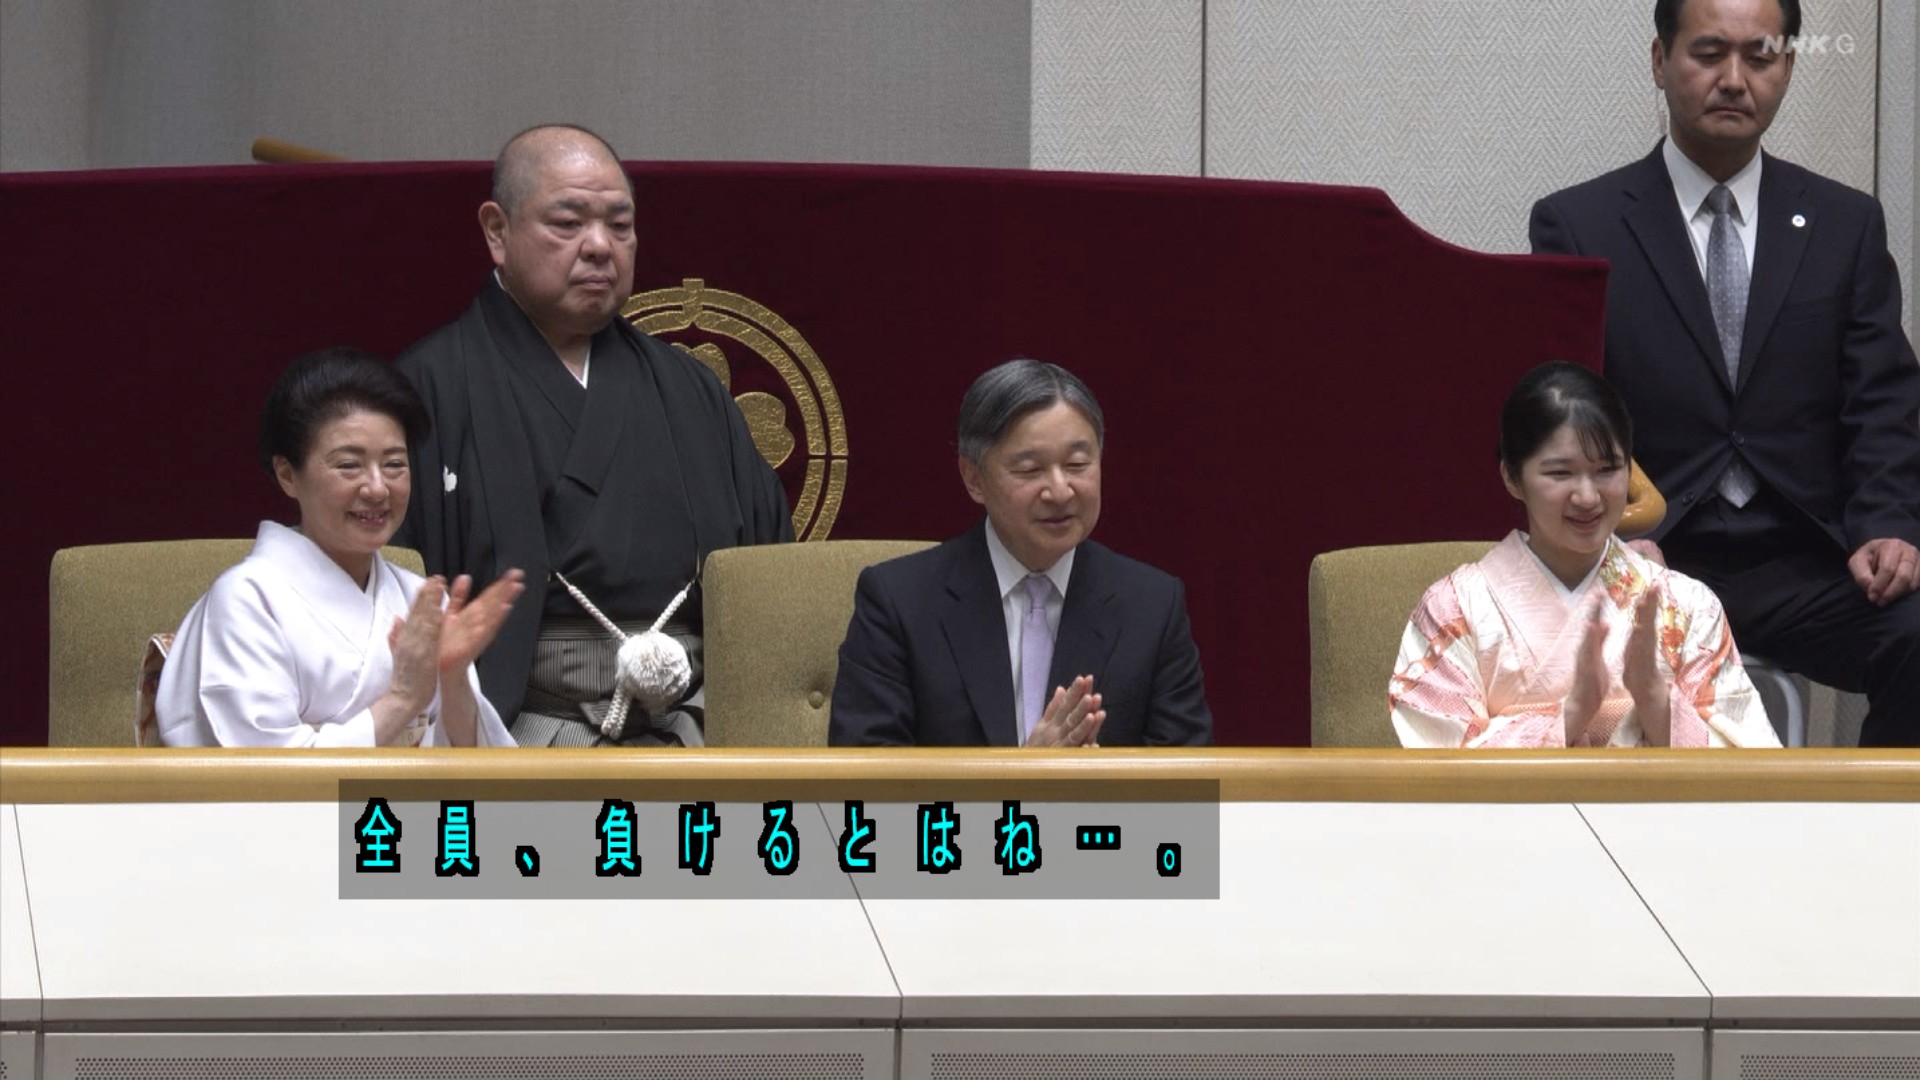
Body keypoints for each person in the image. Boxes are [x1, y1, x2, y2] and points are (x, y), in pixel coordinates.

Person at [1529, 0, 1920, 745]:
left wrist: (1889, 526)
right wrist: (1603, 533)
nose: (1735, 79)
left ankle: (1876, 816)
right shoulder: (1579, 225)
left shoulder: (1845, 225)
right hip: (1652, 555)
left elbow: (1882, 401)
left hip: (1809, 562)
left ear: (1788, 67)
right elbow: (1562, 412)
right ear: (1660, 61)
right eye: (1709, 53)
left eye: (1760, 57)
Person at [395, 124, 791, 747]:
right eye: (568, 222)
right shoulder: (429, 387)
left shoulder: (688, 387)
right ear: (497, 232)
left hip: (696, 727)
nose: (601, 246)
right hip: (517, 731)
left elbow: (767, 569)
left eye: (620, 225)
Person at [1391, 363, 1779, 748]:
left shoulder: (1688, 606)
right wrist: (1574, 712)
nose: (1588, 497)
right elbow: (1439, 768)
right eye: (1560, 474)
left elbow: (1749, 765)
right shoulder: (1453, 610)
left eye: (1607, 469)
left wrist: (1654, 698)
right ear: (1512, 477)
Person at [830, 359, 1213, 747]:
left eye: (1077, 464)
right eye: (1030, 470)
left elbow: (1187, 775)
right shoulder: (898, 602)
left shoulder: (1152, 605)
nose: (1060, 491)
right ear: (974, 479)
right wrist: (1025, 774)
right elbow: (867, 772)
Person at [157, 349, 525, 748]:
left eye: (394, 464)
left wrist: (451, 679)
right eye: (349, 465)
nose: (378, 488)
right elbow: (265, 771)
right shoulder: (247, 599)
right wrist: (402, 698)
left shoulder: (417, 599)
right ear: (288, 475)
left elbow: (477, 768)